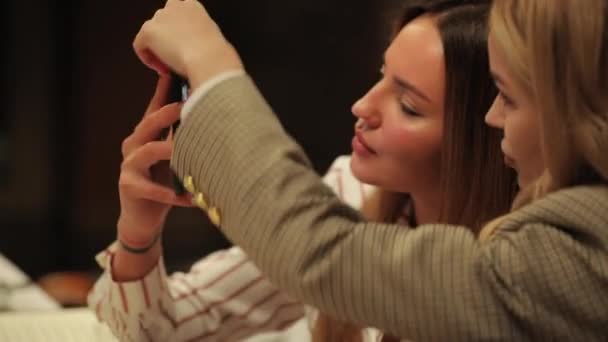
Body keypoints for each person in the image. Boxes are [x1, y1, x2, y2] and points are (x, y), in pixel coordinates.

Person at [131, 0, 608, 339]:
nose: (494, 117)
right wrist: (137, 234)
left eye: (409, 104)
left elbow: (316, 249)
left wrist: (209, 61)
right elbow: (165, 326)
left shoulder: (560, 246)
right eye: (382, 76)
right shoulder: (350, 190)